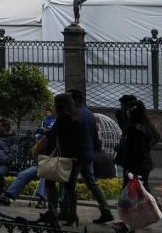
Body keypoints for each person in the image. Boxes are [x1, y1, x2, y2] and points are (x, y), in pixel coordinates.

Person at [116, 99, 162, 232]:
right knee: (136, 196)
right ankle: (131, 224)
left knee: (136, 197)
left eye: (127, 110)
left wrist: (130, 167)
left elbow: (136, 151)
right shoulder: (141, 126)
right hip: (139, 166)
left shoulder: (136, 129)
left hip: (135, 167)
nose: (126, 112)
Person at [34, 93, 85, 226]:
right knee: (70, 187)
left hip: (61, 157)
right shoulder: (76, 118)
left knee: (50, 182)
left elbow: (53, 135)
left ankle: (52, 212)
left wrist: (46, 133)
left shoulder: (62, 118)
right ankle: (72, 215)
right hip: (75, 158)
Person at [67, 89, 114, 225]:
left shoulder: (73, 114)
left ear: (75, 99)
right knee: (92, 183)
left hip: (75, 155)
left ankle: (70, 214)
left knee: (69, 184)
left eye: (69, 98)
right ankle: (106, 210)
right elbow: (95, 137)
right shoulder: (89, 114)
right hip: (88, 154)